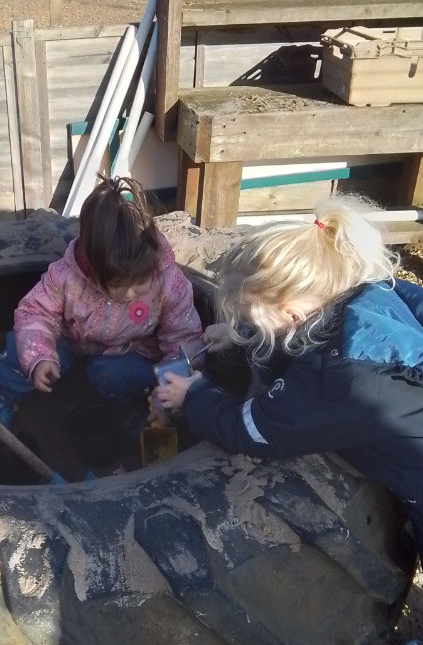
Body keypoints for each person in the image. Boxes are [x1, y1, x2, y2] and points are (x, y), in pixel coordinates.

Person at [150, 196, 423, 511]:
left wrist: (195, 394)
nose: (245, 323)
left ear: (293, 316)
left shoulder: (341, 380)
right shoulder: (368, 288)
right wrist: (243, 334)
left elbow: (254, 429)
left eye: (250, 319)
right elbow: (297, 333)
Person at [0, 175, 205, 443]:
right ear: (93, 268)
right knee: (18, 354)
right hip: (70, 337)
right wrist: (41, 357)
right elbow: (35, 313)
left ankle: (125, 407)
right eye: (121, 286)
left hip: (130, 346)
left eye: (140, 284)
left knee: (117, 376)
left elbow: (184, 338)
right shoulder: (66, 276)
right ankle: (8, 397)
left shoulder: (169, 282)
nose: (132, 294)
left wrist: (170, 387)